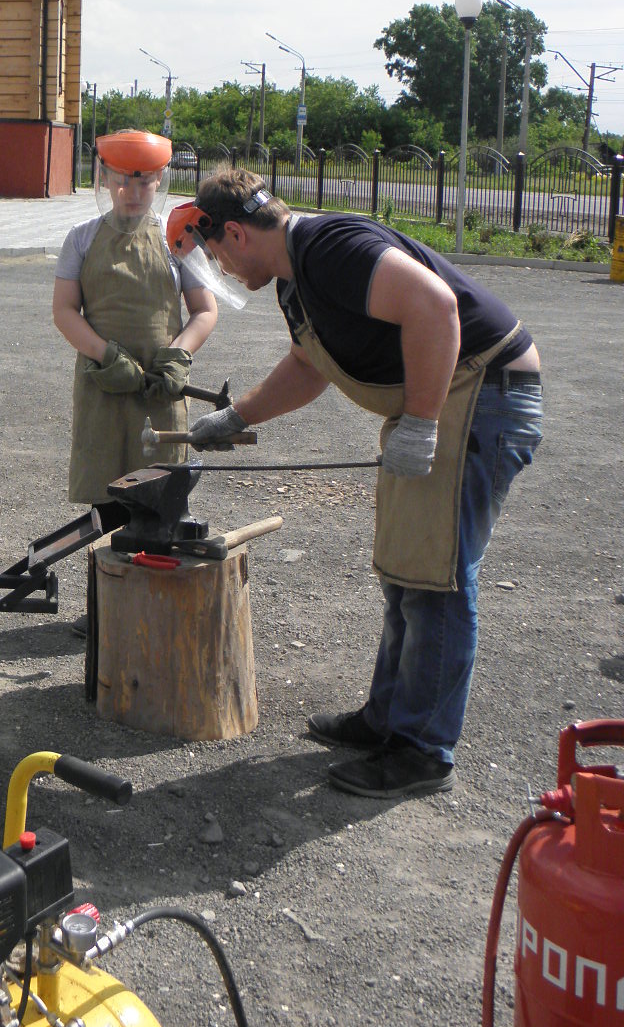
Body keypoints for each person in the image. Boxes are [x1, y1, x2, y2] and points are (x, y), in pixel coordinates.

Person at [179, 167, 542, 800]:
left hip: (482, 392)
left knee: (437, 575)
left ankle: (422, 750)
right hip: (446, 397)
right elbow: (307, 365)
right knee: (406, 567)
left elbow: (436, 307)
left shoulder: (332, 247)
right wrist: (238, 417)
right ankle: (387, 720)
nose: (227, 273)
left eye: (218, 258)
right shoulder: (293, 278)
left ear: (235, 233)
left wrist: (422, 424)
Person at [53, 130, 218, 510]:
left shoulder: (176, 239)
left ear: (159, 179)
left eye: (143, 181)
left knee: (161, 504)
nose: (133, 190)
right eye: (123, 180)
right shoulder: (81, 239)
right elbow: (64, 311)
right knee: (107, 511)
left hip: (160, 391)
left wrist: (179, 355)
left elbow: (205, 310)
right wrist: (106, 355)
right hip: (103, 387)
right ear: (106, 179)